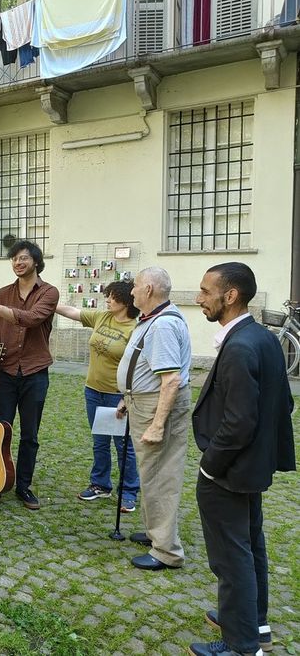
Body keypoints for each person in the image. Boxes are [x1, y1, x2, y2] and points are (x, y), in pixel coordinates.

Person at [188, 263, 295, 656]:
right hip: (251, 468)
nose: (199, 298)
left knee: (231, 558)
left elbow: (239, 421)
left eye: (204, 290)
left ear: (229, 296)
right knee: (250, 546)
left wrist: (209, 465)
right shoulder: (263, 338)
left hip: (228, 473)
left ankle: (241, 645)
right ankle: (254, 624)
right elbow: (285, 403)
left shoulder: (239, 346)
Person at [0, 240, 59, 510]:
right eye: (14, 259)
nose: (18, 263)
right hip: (3, 371)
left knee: (30, 434)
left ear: (36, 262)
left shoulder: (49, 293)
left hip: (34, 372)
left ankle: (23, 486)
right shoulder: (3, 293)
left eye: (24, 258)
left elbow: (30, 318)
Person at [114, 266, 192, 571]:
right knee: (151, 472)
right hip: (142, 403)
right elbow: (146, 367)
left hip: (155, 407)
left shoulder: (162, 326)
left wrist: (158, 425)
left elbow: (171, 379)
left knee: (161, 477)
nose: (131, 292)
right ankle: (155, 533)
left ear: (148, 290)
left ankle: (167, 552)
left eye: (135, 286)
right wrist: (127, 396)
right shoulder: (154, 319)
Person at [54, 281, 141, 512]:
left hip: (117, 395)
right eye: (107, 296)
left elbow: (138, 366)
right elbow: (73, 312)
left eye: (112, 296)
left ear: (125, 300)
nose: (107, 300)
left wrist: (127, 396)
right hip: (93, 391)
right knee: (99, 441)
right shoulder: (102, 317)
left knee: (123, 445)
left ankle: (129, 490)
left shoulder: (135, 328)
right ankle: (101, 485)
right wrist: (49, 303)